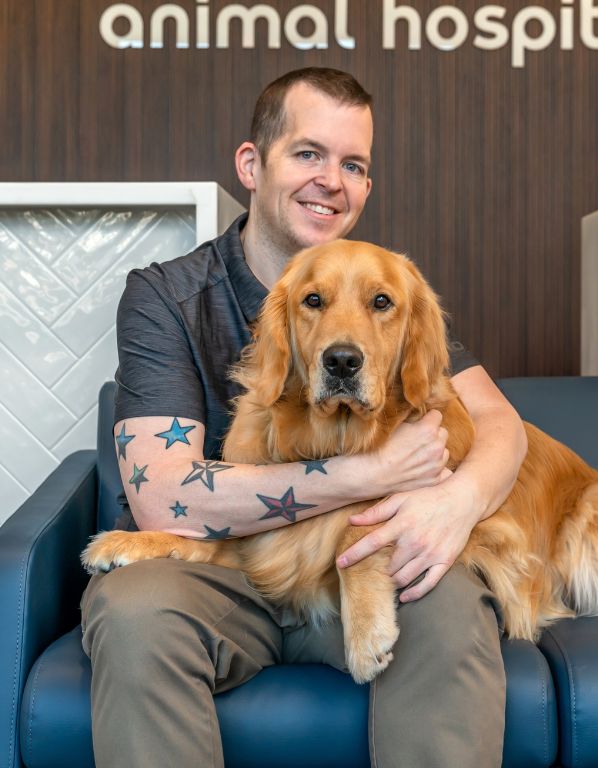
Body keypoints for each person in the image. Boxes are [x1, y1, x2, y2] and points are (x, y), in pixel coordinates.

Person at [81, 67, 527, 767]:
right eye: (309, 154)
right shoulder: (168, 296)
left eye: (353, 164)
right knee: (134, 608)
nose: (332, 180)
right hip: (227, 574)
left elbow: (502, 425)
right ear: (252, 165)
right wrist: (367, 473)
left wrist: (458, 500)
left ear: (367, 189)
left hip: (358, 562)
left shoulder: (387, 292)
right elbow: (164, 495)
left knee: (444, 599)